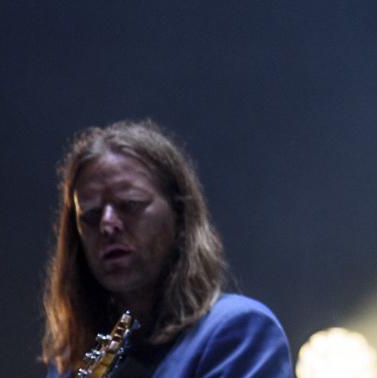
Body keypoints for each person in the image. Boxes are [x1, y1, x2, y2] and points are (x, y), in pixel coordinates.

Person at [41, 119, 293, 377]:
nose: (107, 225)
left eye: (130, 204)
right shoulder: (70, 364)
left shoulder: (239, 330)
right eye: (91, 216)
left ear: (180, 214)